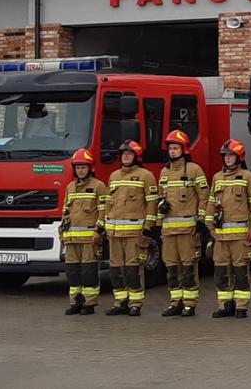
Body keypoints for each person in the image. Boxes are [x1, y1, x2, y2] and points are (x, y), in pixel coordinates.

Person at [156, 129, 209, 317]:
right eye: (170, 148)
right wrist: (159, 214)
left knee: (188, 268)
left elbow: (204, 197)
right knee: (171, 268)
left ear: (184, 149)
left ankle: (189, 304)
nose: (172, 151)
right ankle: (175, 302)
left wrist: (202, 221)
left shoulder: (194, 170)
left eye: (176, 148)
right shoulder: (164, 172)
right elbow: (160, 197)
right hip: (169, 231)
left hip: (188, 230)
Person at [102, 140, 156, 316]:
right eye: (123, 153)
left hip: (135, 232)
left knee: (133, 269)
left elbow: (152, 203)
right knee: (116, 269)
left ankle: (135, 303)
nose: (125, 156)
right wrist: (105, 227)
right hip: (114, 233)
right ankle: (120, 302)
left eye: (129, 153)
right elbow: (109, 203)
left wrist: (148, 228)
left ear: (137, 156)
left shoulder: (146, 176)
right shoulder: (114, 176)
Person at [205, 139, 251, 318]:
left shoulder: (248, 177)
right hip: (220, 236)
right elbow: (211, 203)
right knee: (221, 272)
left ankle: (241, 306)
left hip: (240, 235)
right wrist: (210, 226)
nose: (228, 159)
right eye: (225, 156)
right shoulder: (217, 178)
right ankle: (225, 306)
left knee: (240, 272)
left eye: (231, 155)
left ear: (239, 157)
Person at [59, 148, 107, 316]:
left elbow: (103, 212)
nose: (80, 170)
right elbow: (65, 212)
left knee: (88, 272)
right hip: (71, 239)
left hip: (89, 240)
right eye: (78, 167)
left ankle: (89, 304)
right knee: (72, 272)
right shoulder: (70, 187)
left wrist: (98, 232)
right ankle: (75, 303)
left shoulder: (99, 186)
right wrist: (61, 233)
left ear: (90, 168)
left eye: (83, 167)